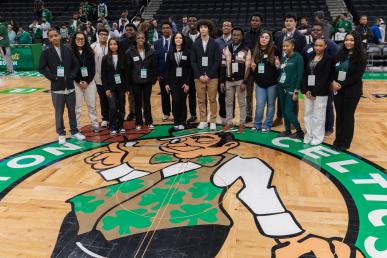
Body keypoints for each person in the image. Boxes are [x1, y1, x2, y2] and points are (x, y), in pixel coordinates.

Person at [38, 29, 85, 144]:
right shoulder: (46, 52)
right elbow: (41, 68)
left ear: (60, 36)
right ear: (49, 39)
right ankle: (61, 133)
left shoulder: (68, 50)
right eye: (51, 36)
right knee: (59, 112)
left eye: (56, 35)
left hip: (69, 87)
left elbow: (76, 64)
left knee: (72, 111)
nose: (54, 38)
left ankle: (74, 131)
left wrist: (72, 75)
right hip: (57, 88)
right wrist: (53, 77)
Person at [332, 32, 367, 151]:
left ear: (356, 42)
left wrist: (340, 85)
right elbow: (333, 70)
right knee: (340, 116)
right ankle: (338, 139)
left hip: (352, 91)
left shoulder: (361, 56)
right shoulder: (340, 53)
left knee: (347, 116)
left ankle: (345, 142)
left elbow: (357, 76)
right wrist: (333, 82)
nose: (348, 42)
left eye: (351, 40)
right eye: (347, 40)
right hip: (338, 90)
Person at [302, 22, 338, 136]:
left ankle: (328, 127)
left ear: (322, 31)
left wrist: (333, 80)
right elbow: (305, 66)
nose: (315, 32)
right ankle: (312, 128)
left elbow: (335, 63)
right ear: (310, 32)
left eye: (318, 30)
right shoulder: (307, 47)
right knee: (312, 108)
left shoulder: (331, 45)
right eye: (313, 30)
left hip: (325, 83)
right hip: (311, 83)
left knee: (326, 105)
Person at [273, 13, 307, 127]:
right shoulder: (279, 36)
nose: (288, 22)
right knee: (280, 95)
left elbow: (302, 54)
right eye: (286, 20)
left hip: (293, 70)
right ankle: (279, 117)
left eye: (291, 20)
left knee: (293, 96)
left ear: (295, 23)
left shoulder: (300, 37)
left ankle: (293, 119)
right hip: (281, 69)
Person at [190, 19, 222, 130]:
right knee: (201, 100)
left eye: (205, 27)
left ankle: (213, 121)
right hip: (198, 77)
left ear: (209, 29)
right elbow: (193, 61)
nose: (203, 29)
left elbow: (217, 61)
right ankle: (203, 120)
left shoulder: (215, 43)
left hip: (212, 77)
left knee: (212, 99)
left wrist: (208, 74)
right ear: (199, 29)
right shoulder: (195, 44)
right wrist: (199, 75)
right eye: (201, 27)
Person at [220, 27, 251, 133]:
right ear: (231, 36)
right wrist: (222, 81)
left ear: (242, 36)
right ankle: (229, 122)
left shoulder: (246, 49)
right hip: (228, 81)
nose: (236, 37)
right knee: (228, 103)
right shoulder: (226, 48)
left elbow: (248, 67)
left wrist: (245, 81)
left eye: (238, 35)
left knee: (242, 103)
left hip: (240, 81)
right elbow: (223, 66)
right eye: (234, 35)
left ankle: (242, 123)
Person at [126, 32, 158, 130]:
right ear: (136, 39)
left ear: (145, 39)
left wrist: (153, 79)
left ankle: (149, 121)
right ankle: (138, 122)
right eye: (138, 38)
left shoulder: (151, 51)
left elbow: (154, 67)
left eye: (142, 38)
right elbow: (128, 69)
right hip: (135, 82)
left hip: (147, 81)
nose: (140, 40)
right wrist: (129, 83)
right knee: (137, 102)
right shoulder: (130, 52)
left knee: (147, 102)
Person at [251, 31, 281, 133]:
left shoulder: (275, 49)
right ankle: (257, 124)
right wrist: (253, 68)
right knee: (259, 104)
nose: (263, 39)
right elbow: (252, 68)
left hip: (272, 83)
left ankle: (267, 125)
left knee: (271, 104)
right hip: (259, 83)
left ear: (270, 40)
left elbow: (281, 67)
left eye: (266, 37)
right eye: (262, 37)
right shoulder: (255, 50)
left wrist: (278, 65)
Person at [71, 32, 99, 133]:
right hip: (76, 83)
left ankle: (95, 124)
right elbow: (71, 69)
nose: (80, 40)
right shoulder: (70, 52)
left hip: (89, 82)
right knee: (77, 107)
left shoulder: (90, 52)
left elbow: (92, 69)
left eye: (82, 39)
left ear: (85, 40)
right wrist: (79, 81)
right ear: (74, 40)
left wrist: (87, 81)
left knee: (91, 105)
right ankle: (77, 127)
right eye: (78, 38)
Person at [277, 38, 304, 139]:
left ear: (293, 46)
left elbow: (300, 75)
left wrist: (296, 91)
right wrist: (278, 66)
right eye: (283, 46)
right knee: (284, 111)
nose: (285, 48)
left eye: (287, 46)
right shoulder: (284, 58)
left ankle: (299, 131)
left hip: (291, 89)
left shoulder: (298, 58)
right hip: (281, 87)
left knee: (289, 111)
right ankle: (287, 130)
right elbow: (282, 72)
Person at [101, 38, 128, 136]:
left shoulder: (123, 57)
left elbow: (126, 73)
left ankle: (121, 125)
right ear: (109, 46)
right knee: (112, 107)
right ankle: (112, 126)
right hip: (110, 87)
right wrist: (106, 89)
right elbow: (103, 75)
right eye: (111, 44)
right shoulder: (105, 58)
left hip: (121, 87)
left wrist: (126, 88)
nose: (113, 46)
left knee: (121, 106)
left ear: (118, 45)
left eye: (115, 44)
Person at [165, 32, 191, 130]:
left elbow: (190, 69)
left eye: (180, 38)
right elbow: (167, 69)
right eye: (176, 38)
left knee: (183, 101)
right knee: (175, 101)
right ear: (174, 40)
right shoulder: (169, 53)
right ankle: (176, 121)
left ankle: (182, 122)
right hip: (173, 82)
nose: (178, 39)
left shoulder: (188, 52)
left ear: (183, 40)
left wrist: (188, 83)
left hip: (184, 82)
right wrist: (166, 83)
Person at [245, 14, 265, 123]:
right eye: (253, 20)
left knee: (260, 93)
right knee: (248, 92)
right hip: (249, 67)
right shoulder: (246, 34)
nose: (254, 22)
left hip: (260, 67)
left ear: (261, 22)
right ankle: (249, 114)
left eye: (257, 20)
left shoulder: (264, 34)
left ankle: (259, 114)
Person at [154, 21, 173, 121]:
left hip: (174, 74)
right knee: (164, 95)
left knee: (175, 95)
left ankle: (175, 112)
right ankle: (166, 113)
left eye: (168, 28)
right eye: (164, 28)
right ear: (161, 30)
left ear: (171, 29)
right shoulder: (157, 43)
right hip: (162, 74)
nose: (166, 29)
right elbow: (155, 60)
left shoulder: (176, 41)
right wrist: (156, 73)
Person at [215, 20, 233, 124]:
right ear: (222, 27)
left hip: (233, 73)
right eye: (224, 25)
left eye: (228, 25)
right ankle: (222, 116)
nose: (226, 27)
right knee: (221, 95)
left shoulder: (235, 40)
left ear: (231, 28)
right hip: (219, 72)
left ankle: (230, 117)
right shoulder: (217, 41)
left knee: (231, 97)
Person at [91, 29, 110, 127]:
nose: (103, 36)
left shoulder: (111, 45)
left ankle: (114, 117)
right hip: (98, 78)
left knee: (112, 99)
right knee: (103, 99)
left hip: (111, 79)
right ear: (98, 35)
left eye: (105, 34)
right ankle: (105, 118)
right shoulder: (93, 46)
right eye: (101, 34)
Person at [119, 23, 137, 121]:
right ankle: (132, 112)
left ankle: (139, 112)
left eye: (131, 30)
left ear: (135, 31)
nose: (129, 32)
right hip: (126, 72)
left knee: (139, 94)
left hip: (137, 71)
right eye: (127, 30)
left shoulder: (138, 40)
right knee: (130, 94)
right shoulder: (122, 42)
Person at [185, 15, 200, 123]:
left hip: (200, 70)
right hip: (188, 71)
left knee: (202, 95)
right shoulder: (184, 37)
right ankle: (193, 114)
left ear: (197, 22)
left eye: (194, 20)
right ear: (187, 23)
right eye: (190, 20)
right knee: (191, 94)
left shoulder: (202, 36)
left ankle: (205, 116)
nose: (192, 22)